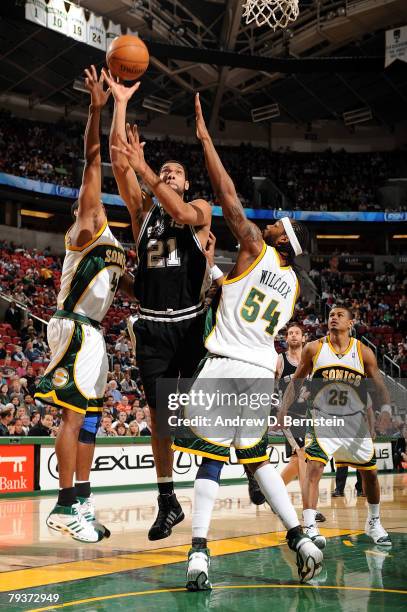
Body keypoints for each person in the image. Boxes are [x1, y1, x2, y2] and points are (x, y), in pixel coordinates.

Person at [169, 93, 322, 590]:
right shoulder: (295, 284)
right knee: (257, 460)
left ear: (283, 241)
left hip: (225, 365)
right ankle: (299, 535)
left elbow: (227, 195)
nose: (275, 221)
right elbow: (240, 292)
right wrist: (216, 272)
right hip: (260, 370)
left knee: (212, 460)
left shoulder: (255, 245)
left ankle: (197, 555)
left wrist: (206, 139)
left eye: (283, 225)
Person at [105, 71, 211, 541]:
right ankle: (167, 499)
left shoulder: (199, 210)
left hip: (190, 327)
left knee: (195, 416)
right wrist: (121, 103)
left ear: (186, 184)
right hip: (152, 328)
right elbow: (117, 161)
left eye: (175, 174)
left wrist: (147, 170)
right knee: (158, 418)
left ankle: (251, 470)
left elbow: (182, 214)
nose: (167, 175)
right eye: (162, 171)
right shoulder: (142, 214)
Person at [34, 65, 131, 543]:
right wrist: (98, 108)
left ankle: (84, 501)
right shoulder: (88, 221)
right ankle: (63, 506)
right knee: (72, 415)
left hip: (94, 333)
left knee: (91, 418)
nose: (85, 198)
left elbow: (128, 287)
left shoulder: (114, 239)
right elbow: (93, 160)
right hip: (74, 326)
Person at [278, 306, 392, 549]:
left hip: (354, 421)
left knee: (370, 474)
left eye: (340, 315)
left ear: (351, 323)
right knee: (314, 468)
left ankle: (373, 522)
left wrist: (386, 411)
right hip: (322, 418)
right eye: (331, 315)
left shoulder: (363, 352)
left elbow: (380, 386)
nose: (333, 317)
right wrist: (283, 409)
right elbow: (297, 381)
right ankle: (309, 524)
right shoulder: (315, 348)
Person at [276, 323, 325, 523]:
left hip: (309, 414)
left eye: (297, 333)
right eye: (290, 333)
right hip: (290, 414)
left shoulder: (310, 362)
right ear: (286, 339)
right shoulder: (280, 360)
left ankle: (271, 493)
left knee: (297, 462)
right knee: (304, 457)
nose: (294, 336)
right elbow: (269, 384)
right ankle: (309, 509)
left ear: (304, 338)